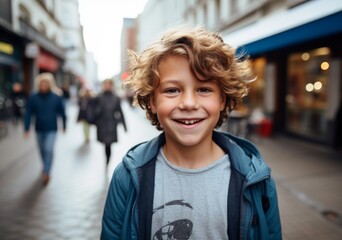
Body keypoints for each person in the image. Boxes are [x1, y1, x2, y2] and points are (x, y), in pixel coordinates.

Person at [101, 27, 282, 239]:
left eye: (204, 89)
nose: (188, 103)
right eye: (172, 90)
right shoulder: (127, 177)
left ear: (222, 99)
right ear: (152, 101)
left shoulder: (256, 180)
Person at [24, 72, 66, 185]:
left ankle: (46, 172)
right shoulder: (33, 97)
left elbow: (62, 112)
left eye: (45, 84)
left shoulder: (56, 97)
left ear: (49, 84)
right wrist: (26, 128)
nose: (43, 86)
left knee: (48, 149)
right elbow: (28, 113)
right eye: (41, 84)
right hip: (39, 128)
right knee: (42, 150)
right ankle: (45, 166)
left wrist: (64, 125)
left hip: (52, 128)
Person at [93, 79, 127, 165]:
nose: (107, 86)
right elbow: (94, 111)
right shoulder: (99, 97)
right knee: (105, 144)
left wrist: (124, 125)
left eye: (108, 84)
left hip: (111, 124)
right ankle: (107, 159)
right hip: (102, 124)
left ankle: (108, 159)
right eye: (105, 84)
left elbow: (120, 111)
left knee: (108, 144)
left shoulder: (115, 98)